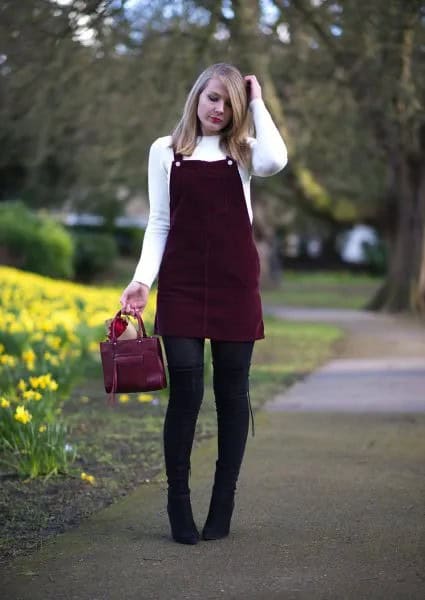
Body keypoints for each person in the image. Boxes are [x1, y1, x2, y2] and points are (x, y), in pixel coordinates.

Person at [120, 63, 288, 545]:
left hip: (236, 285)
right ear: (198, 94)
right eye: (215, 97)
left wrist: (256, 99)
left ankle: (223, 505)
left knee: (232, 396)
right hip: (181, 285)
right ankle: (178, 504)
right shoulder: (164, 151)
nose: (220, 109)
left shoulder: (246, 152)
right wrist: (140, 282)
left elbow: (277, 159)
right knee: (187, 393)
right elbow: (158, 222)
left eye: (230, 103)